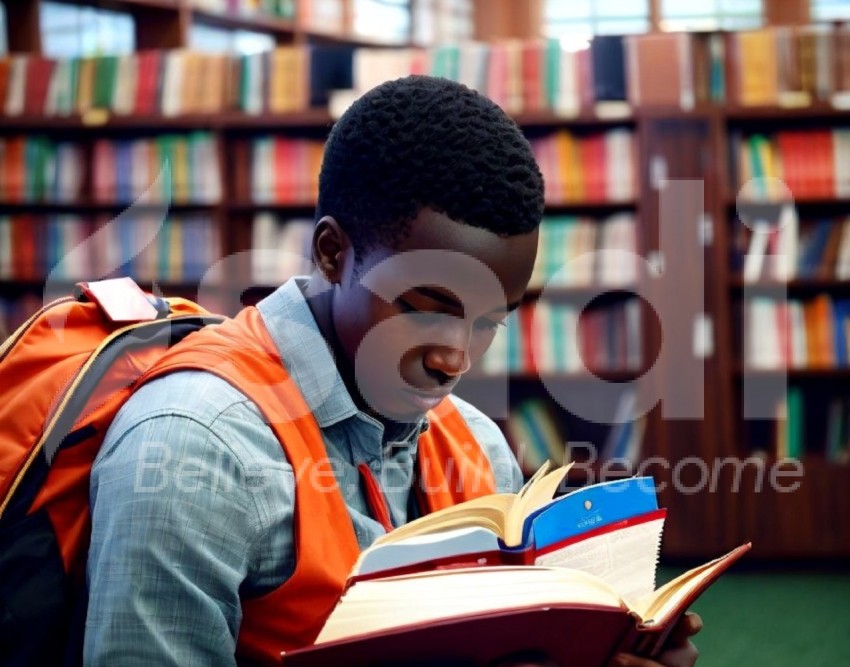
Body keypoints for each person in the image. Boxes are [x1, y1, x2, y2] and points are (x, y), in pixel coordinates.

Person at [84, 75, 701, 666]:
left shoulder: (480, 445)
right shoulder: (191, 446)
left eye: (490, 322)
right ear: (333, 253)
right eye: (424, 308)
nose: (455, 360)